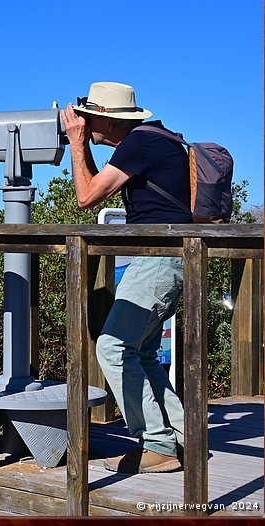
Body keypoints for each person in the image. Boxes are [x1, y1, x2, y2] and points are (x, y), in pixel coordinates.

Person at [61, 81, 188, 474]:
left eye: (89, 118)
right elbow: (99, 185)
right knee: (142, 352)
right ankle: (182, 438)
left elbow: (86, 196)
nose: (84, 123)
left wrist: (76, 143)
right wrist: (83, 145)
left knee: (113, 348)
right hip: (168, 260)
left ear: (107, 119)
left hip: (159, 261)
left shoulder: (140, 143)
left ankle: (159, 445)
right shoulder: (156, 139)